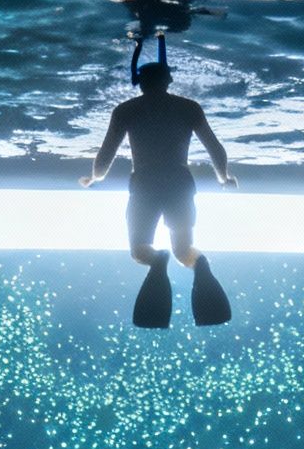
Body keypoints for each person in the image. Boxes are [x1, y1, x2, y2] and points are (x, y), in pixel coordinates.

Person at [81, 52, 237, 328]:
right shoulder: (189, 107)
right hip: (179, 181)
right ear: (170, 80)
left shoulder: (126, 110)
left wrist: (95, 177)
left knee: (139, 249)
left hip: (144, 184)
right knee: (184, 247)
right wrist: (224, 177)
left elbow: (106, 154)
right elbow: (214, 147)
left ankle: (156, 260)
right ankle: (199, 265)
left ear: (139, 83)